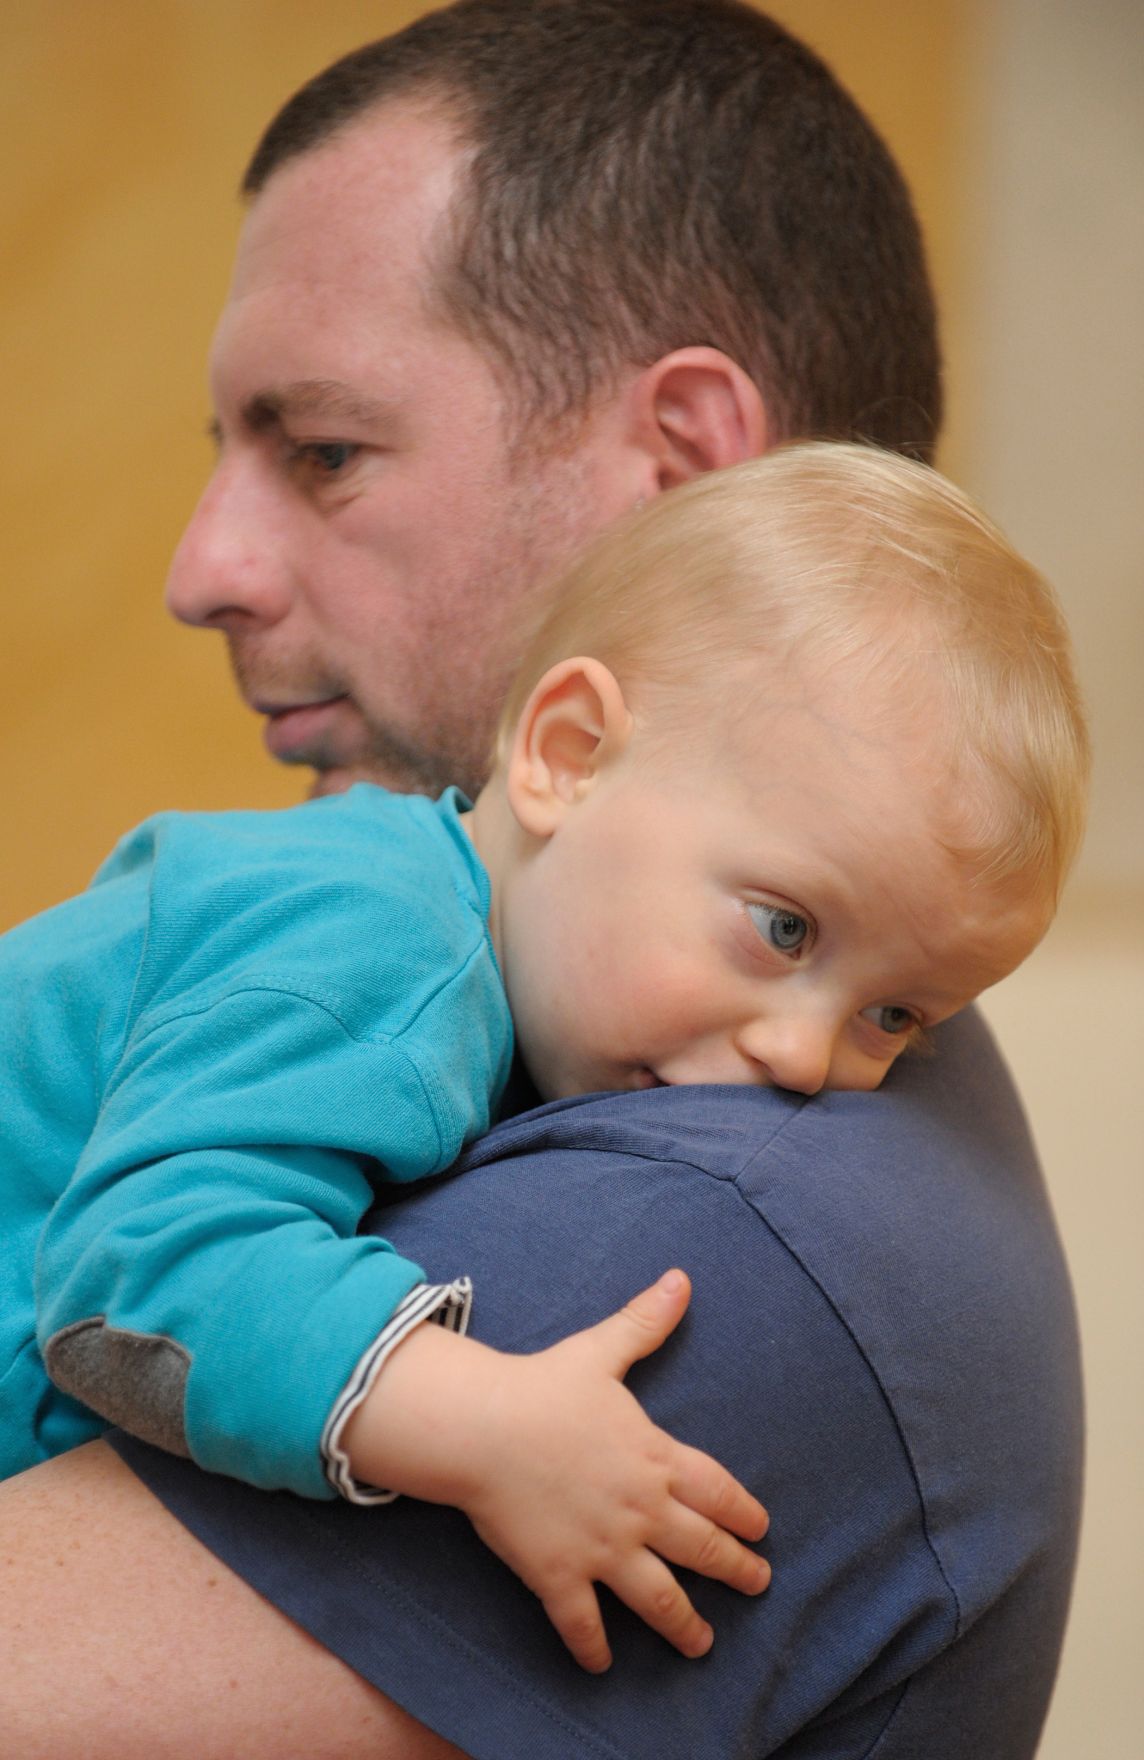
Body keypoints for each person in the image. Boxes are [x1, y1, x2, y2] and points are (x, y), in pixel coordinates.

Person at [0, 5, 1084, 1758]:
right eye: (785, 932)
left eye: (328, 448)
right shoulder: (396, 938)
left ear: (683, 470)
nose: (204, 568)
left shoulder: (710, 1214)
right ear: (564, 754)